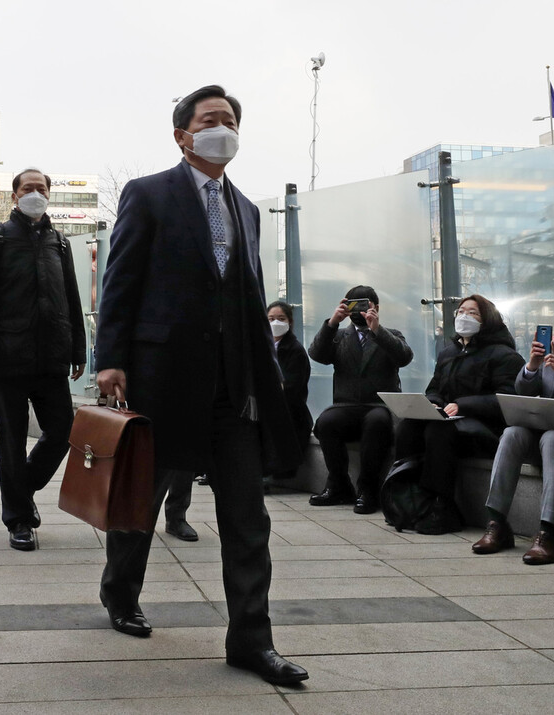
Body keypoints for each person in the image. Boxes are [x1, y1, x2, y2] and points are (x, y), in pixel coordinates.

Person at [95, 85, 308, 685]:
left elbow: (246, 296)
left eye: (232, 120)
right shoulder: (148, 194)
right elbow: (121, 280)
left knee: (247, 517)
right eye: (212, 120)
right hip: (164, 381)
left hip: (231, 390)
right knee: (142, 498)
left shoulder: (247, 209)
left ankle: (250, 641)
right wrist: (110, 359)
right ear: (183, 135)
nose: (224, 128)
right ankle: (120, 592)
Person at [0, 168, 86, 552]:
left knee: (63, 431)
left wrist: (78, 350)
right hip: (9, 358)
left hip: (52, 357)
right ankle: (19, 519)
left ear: (50, 193)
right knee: (11, 443)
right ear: (15, 195)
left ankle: (23, 487)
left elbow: (72, 298)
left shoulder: (60, 243)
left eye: (41, 188)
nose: (35, 193)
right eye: (27, 188)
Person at [393, 295, 524, 535]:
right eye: (461, 311)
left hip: (485, 431)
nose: (464, 316)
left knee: (438, 430)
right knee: (409, 426)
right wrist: (432, 403)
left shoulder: (504, 355)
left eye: (473, 313)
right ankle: (408, 498)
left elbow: (507, 399)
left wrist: (463, 406)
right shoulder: (448, 353)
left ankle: (442, 506)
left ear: (487, 320)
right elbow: (434, 388)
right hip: (452, 423)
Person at [471, 324, 554, 564]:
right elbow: (524, 391)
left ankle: (549, 533)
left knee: (553, 438)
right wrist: (532, 366)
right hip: (543, 434)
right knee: (512, 433)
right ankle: (497, 523)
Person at [308, 287, 412, 513]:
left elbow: (404, 357)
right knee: (326, 422)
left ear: (375, 307)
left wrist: (377, 330)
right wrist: (332, 323)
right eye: (353, 306)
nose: (360, 311)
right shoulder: (338, 336)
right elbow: (316, 354)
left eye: (364, 305)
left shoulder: (390, 334)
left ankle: (368, 489)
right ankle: (338, 485)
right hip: (346, 405)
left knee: (376, 422)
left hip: (379, 406)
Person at [267, 300, 313, 480]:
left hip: (290, 414)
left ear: (289, 322)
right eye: (270, 319)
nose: (275, 323)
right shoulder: (263, 347)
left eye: (280, 318)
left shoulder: (296, 351)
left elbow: (291, 390)